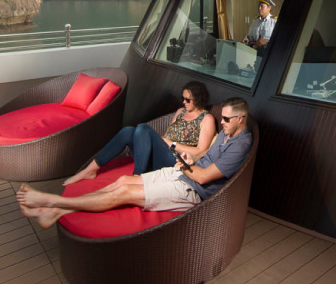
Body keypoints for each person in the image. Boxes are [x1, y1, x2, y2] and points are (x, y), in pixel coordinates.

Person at [17, 98, 253, 229]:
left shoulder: (240, 144)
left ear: (240, 119)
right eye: (222, 117)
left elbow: (203, 178)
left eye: (226, 119)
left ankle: (52, 202)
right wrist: (191, 161)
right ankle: (57, 211)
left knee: (124, 193)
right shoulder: (227, 132)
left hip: (193, 190)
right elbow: (205, 158)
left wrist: (186, 166)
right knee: (121, 181)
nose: (222, 122)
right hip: (182, 171)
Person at [63, 81, 216, 185]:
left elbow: (201, 151)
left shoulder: (206, 118)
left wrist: (172, 144)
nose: (184, 102)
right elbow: (167, 135)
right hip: (161, 154)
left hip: (175, 161)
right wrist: (162, 142)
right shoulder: (180, 112)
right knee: (128, 131)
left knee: (143, 128)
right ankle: (90, 170)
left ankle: (138, 177)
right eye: (183, 99)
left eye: (188, 100)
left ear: (198, 99)